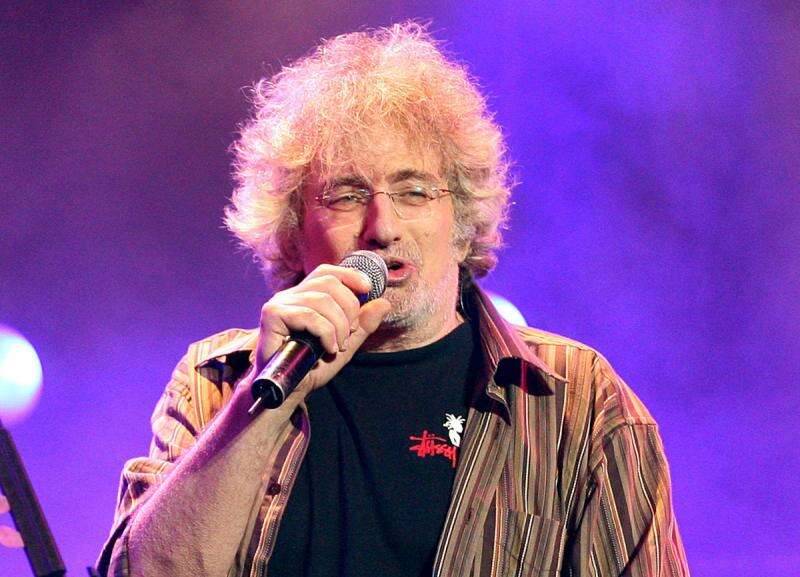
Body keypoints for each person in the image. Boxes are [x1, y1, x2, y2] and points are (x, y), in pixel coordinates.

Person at [97, 22, 689, 577]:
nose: (382, 227)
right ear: (292, 232)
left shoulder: (577, 401)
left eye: (414, 191)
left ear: (462, 224)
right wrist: (262, 405)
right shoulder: (217, 382)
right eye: (347, 196)